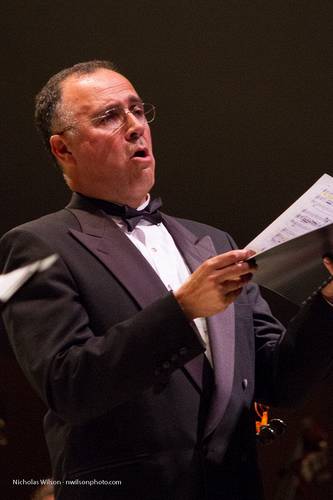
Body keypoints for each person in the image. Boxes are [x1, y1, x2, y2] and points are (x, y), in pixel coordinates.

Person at [1, 60, 333, 500]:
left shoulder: (212, 242)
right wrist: (181, 309)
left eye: (138, 110)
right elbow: (68, 386)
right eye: (108, 116)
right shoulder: (35, 245)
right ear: (63, 149)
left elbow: (281, 379)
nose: (135, 126)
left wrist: (330, 296)